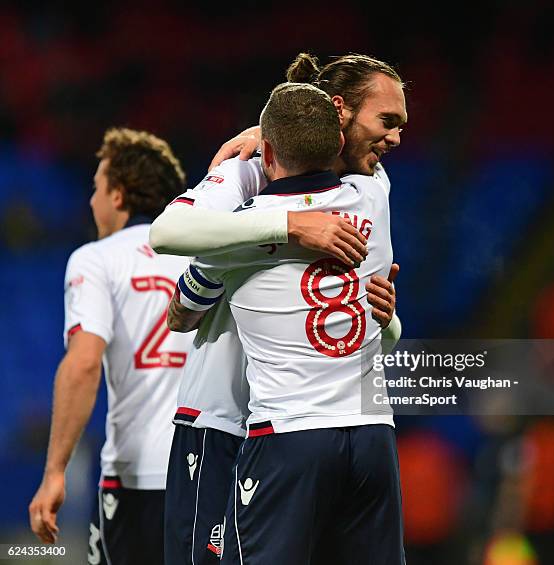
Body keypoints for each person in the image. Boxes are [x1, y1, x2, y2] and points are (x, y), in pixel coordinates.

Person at [150, 52, 405, 564]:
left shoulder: (358, 190)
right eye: (387, 121)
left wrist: (386, 317)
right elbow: (177, 245)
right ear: (339, 117)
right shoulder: (257, 180)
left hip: (285, 433)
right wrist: (291, 224)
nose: (395, 139)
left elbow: (184, 297)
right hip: (222, 418)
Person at [29, 128, 192, 565]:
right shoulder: (206, 259)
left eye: (97, 188)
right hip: (208, 471)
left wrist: (55, 472)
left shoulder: (96, 258)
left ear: (118, 196)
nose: (91, 201)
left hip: (136, 477)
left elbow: (83, 364)